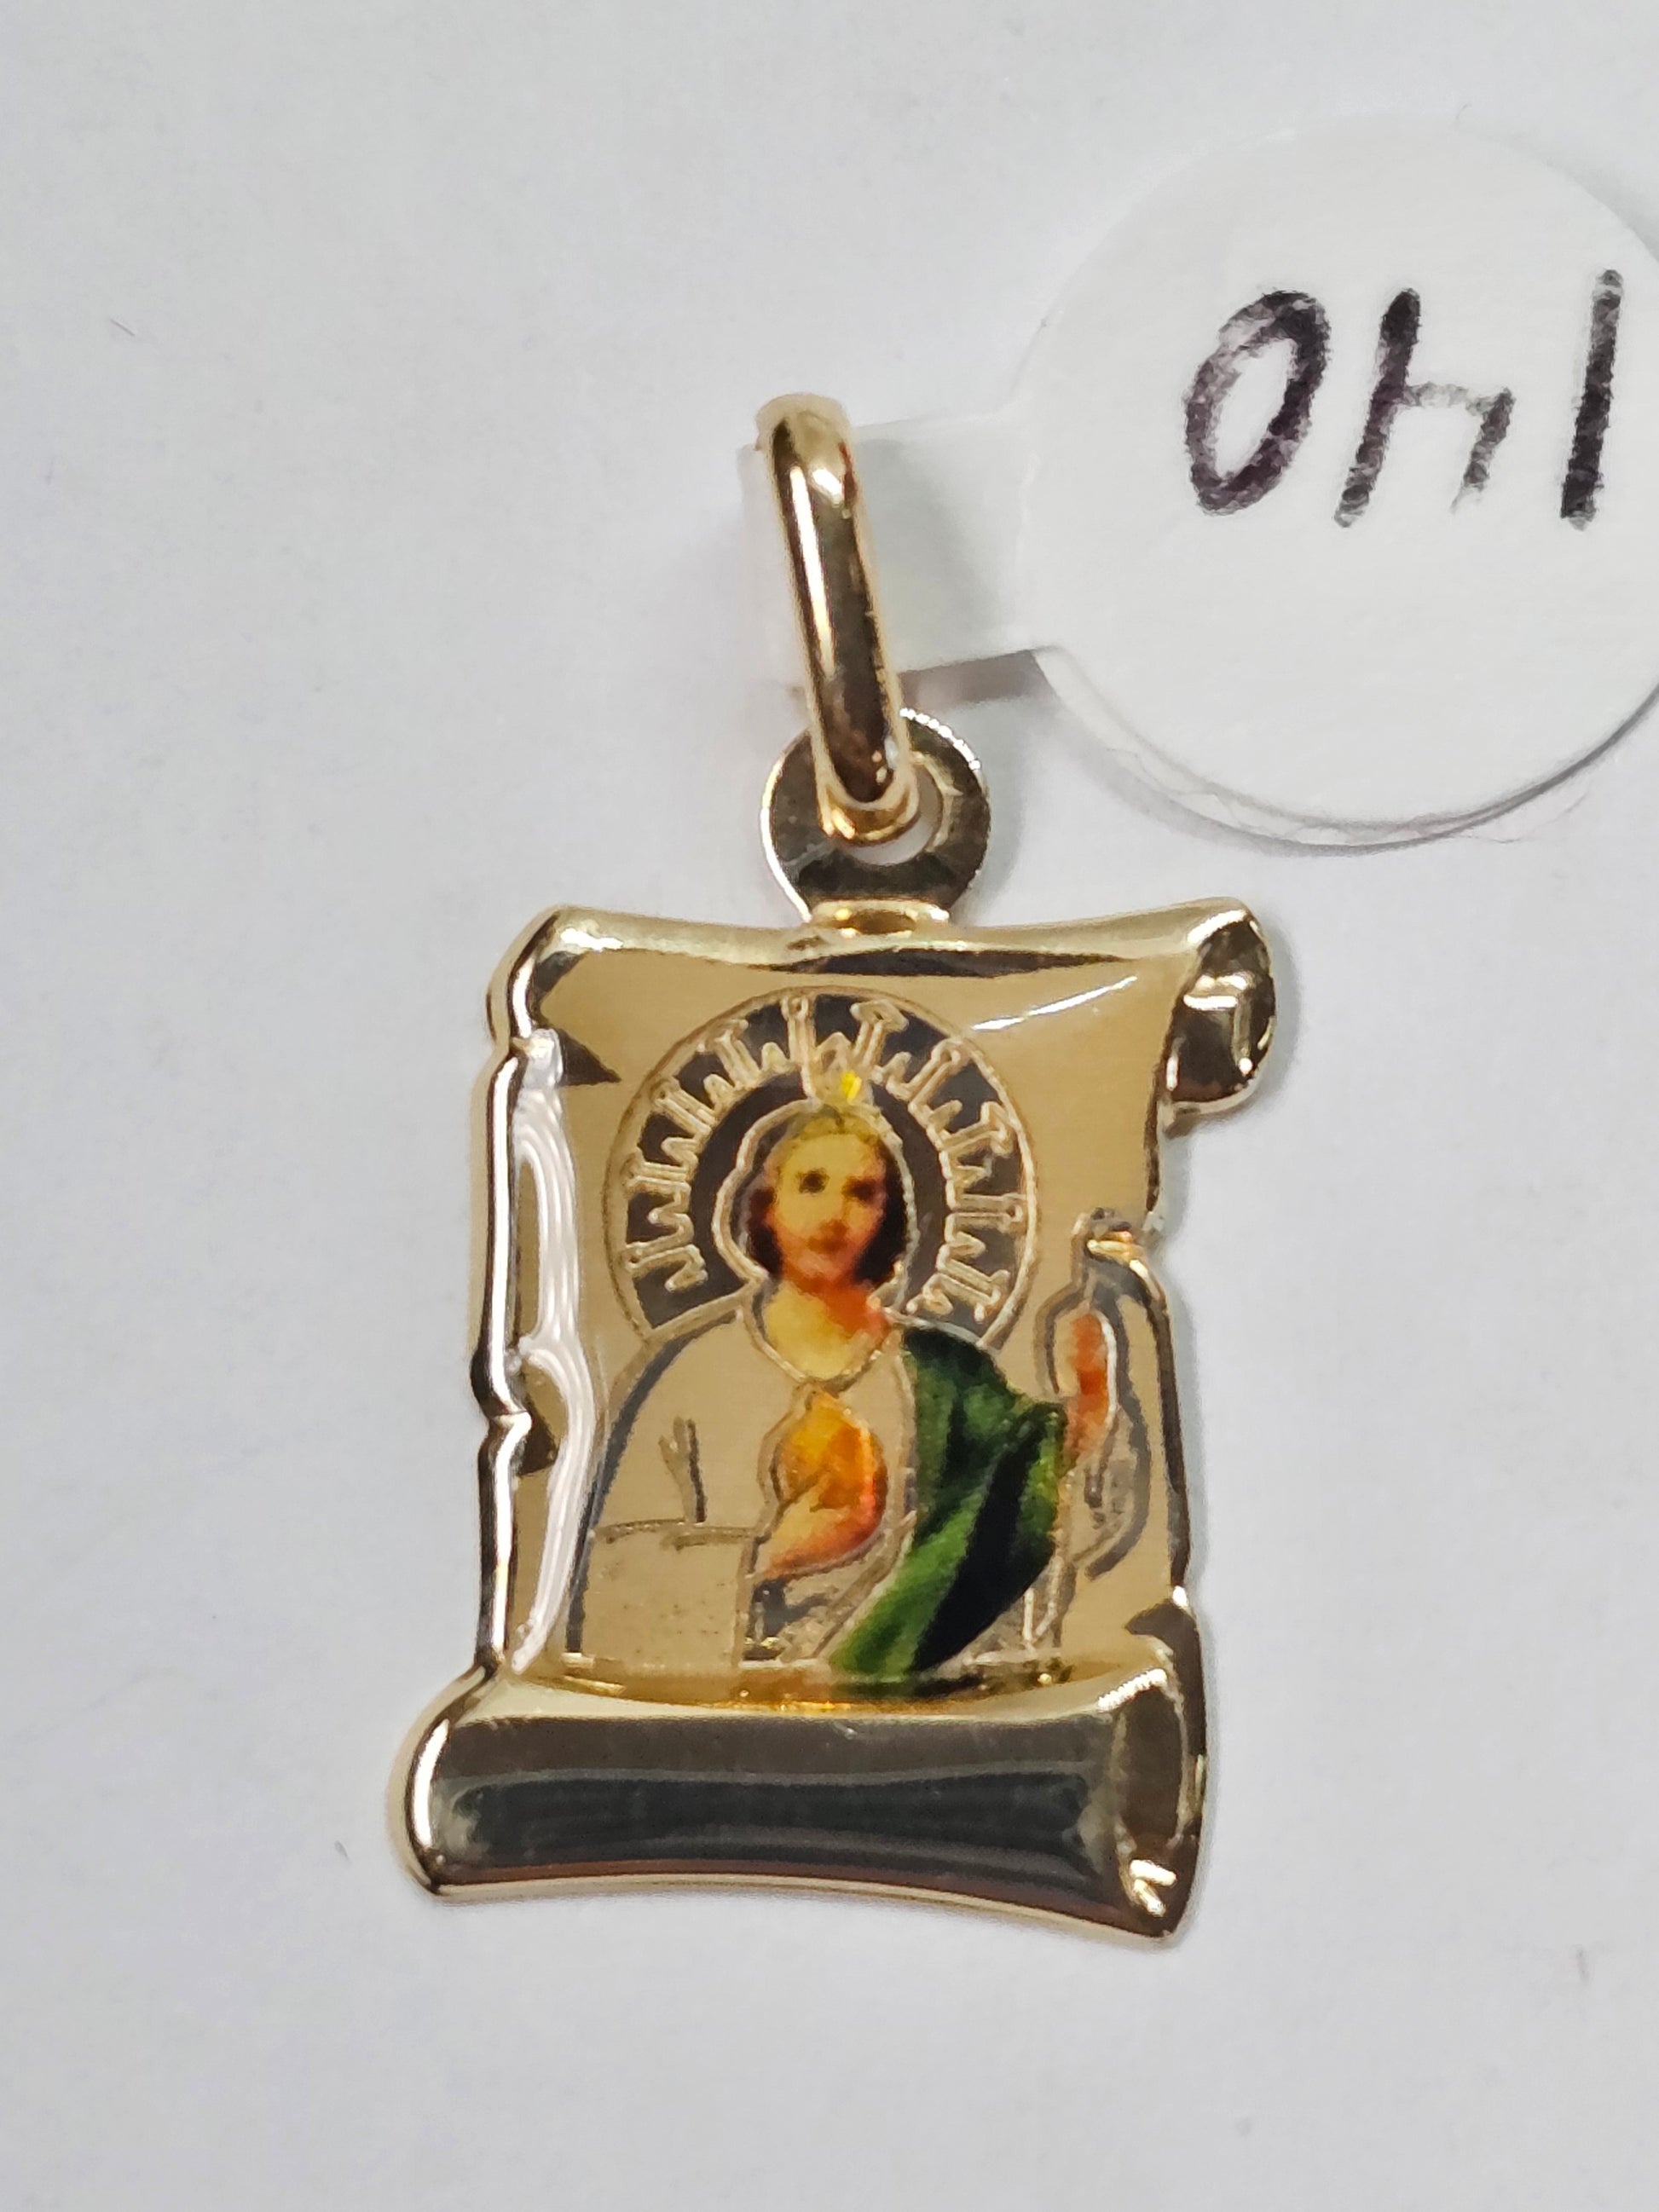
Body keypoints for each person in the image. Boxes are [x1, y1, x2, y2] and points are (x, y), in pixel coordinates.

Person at [569, 1100, 1111, 1683]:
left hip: (907, 1712)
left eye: (861, 1192)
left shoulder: (946, 1376)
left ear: (889, 1215)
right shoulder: (693, 1373)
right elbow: (613, 1585)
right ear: (767, 1206)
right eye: (811, 1184)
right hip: (721, 1714)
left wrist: (1091, 1404)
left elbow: (1024, 1495)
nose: (833, 1214)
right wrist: (772, 1552)